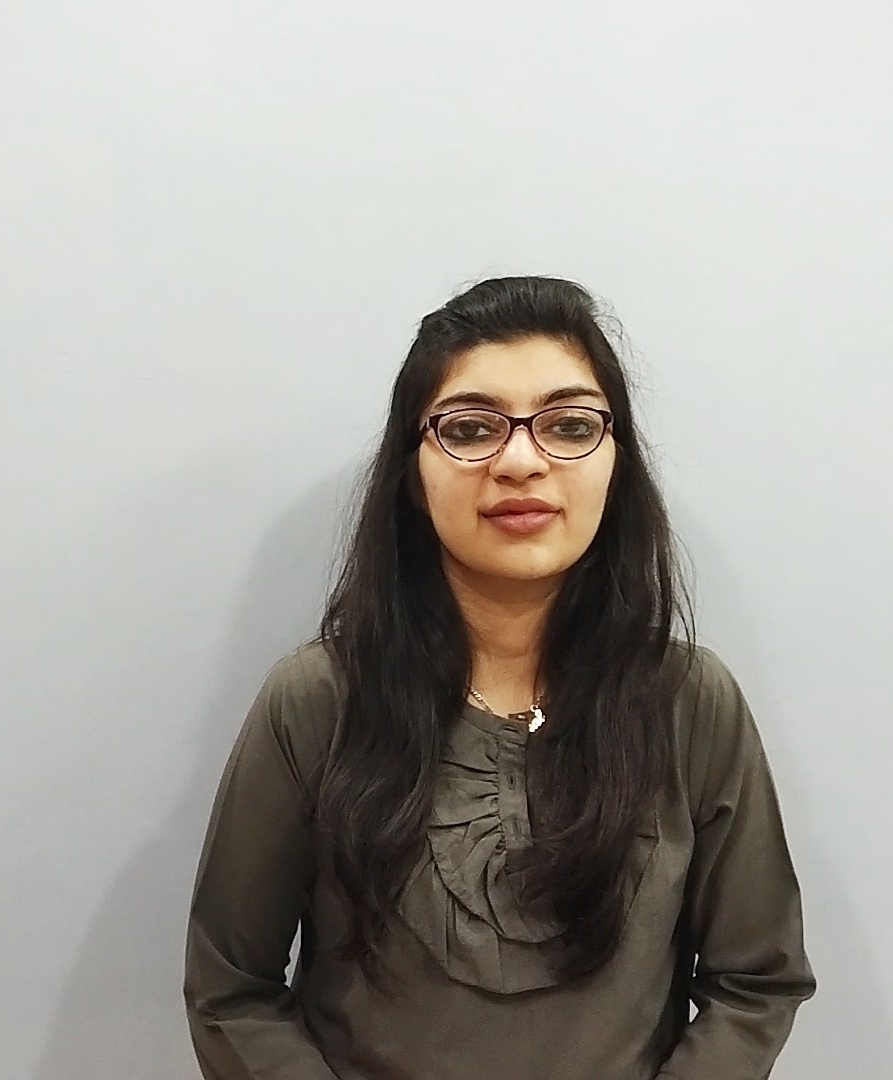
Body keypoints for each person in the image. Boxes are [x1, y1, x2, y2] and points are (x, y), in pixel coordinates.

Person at [183, 276, 815, 1079]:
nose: (520, 461)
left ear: (616, 464)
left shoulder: (689, 703)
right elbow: (230, 992)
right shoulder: (318, 700)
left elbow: (755, 983)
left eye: (569, 425)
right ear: (414, 475)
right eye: (471, 428)